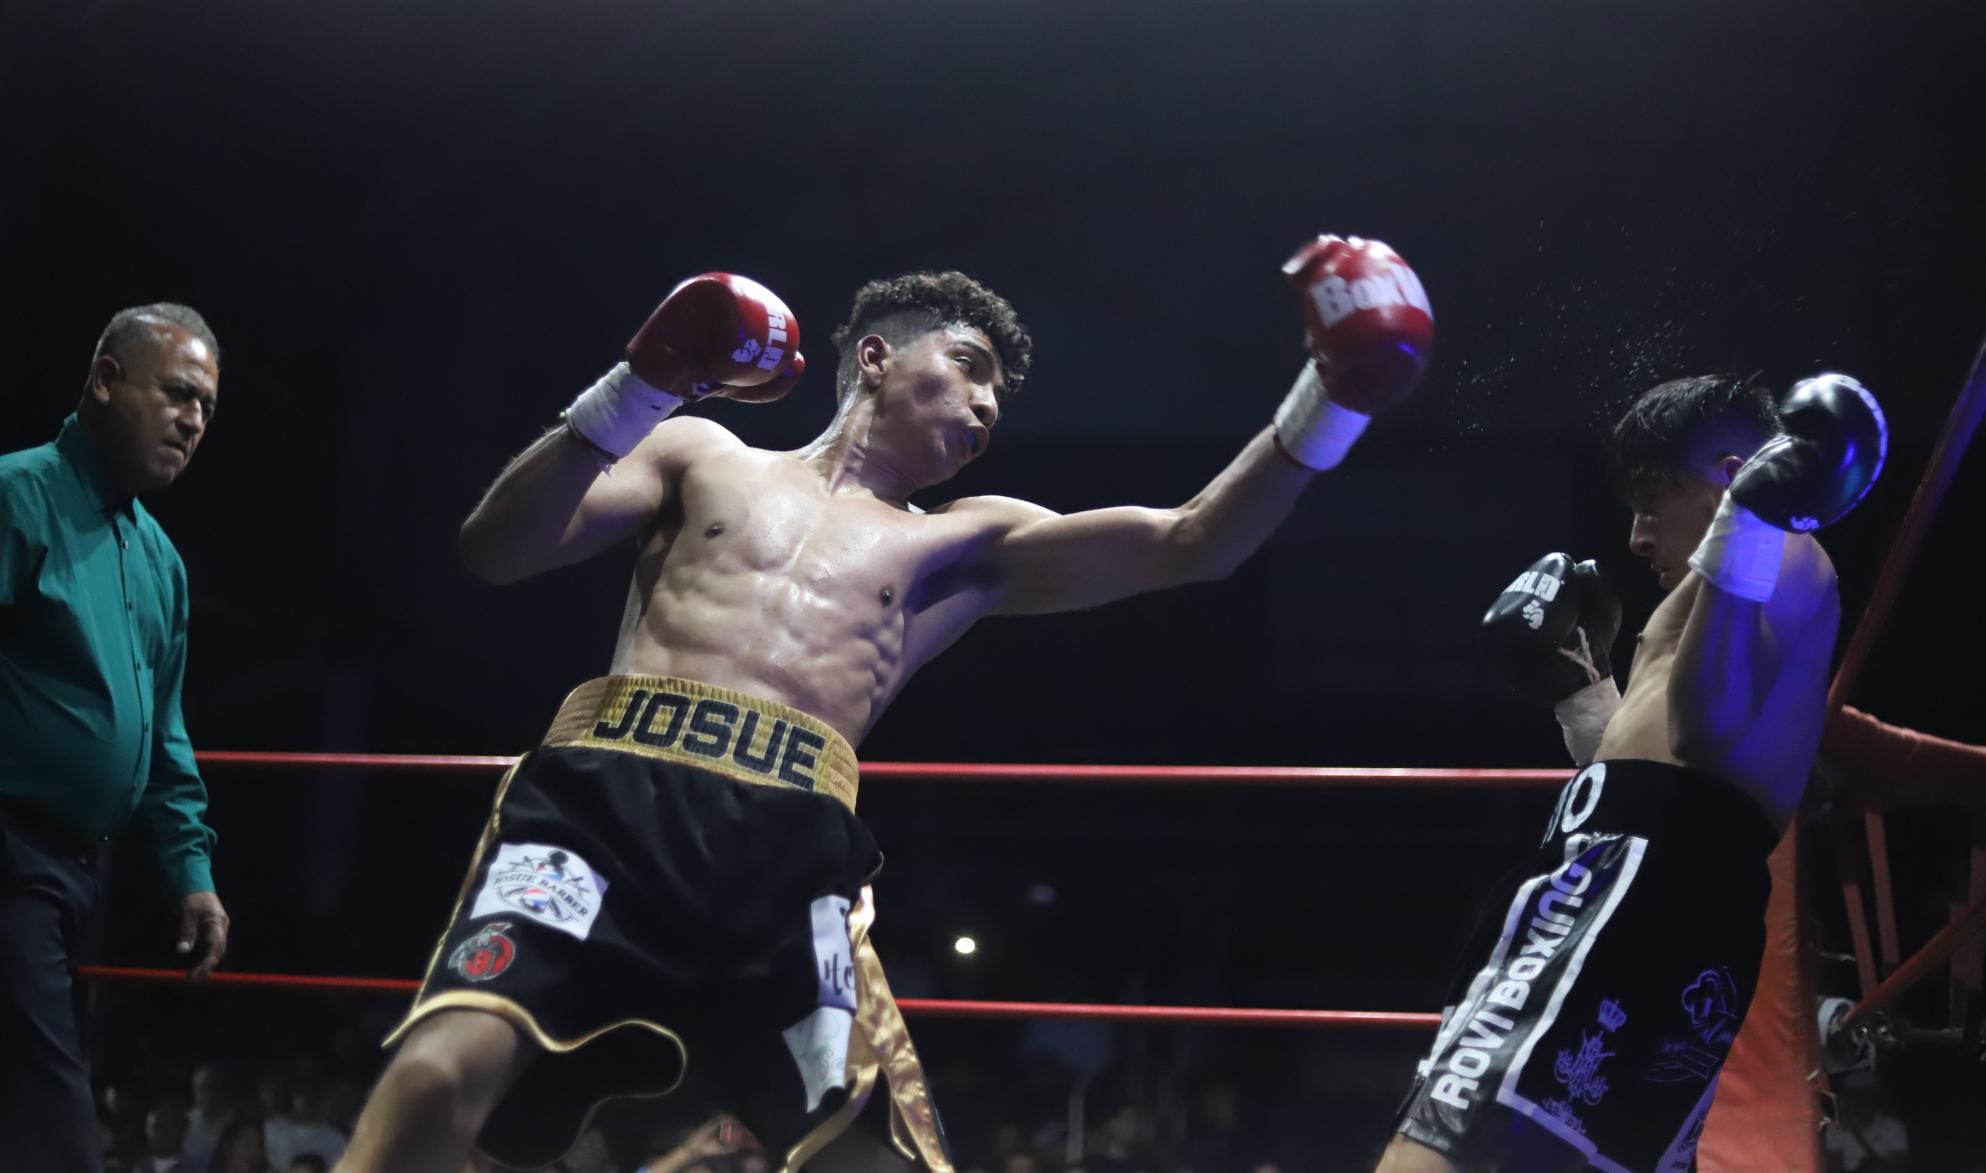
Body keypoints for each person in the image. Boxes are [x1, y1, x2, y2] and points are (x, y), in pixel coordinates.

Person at [339, 238, 1436, 1173]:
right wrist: (644, 379)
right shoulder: (697, 451)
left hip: (786, 846)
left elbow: (1195, 541)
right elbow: (494, 550)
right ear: (874, 358)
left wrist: (1331, 395)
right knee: (439, 1077)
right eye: (966, 368)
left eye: (998, 390)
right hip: (603, 804)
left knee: (870, 1155)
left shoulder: (961, 542)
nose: (988, 403)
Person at [1378, 372, 1888, 1172]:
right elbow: (1649, 757)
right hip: (1675, 888)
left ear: (1729, 473)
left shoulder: (1781, 549)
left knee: (1452, 1136)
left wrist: (1749, 513)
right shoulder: (1723, 590)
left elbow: (1703, 727)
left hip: (1629, 878)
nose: (1638, 538)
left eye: (1654, 502)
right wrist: (1579, 694)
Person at [1, 303, 232, 1173]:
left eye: (206, 407)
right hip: (13, 856)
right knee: (52, 1121)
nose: (192, 421)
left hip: (85, 878)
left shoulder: (161, 561)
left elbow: (164, 734)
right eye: (177, 394)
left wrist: (192, 874)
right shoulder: (18, 496)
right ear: (106, 379)